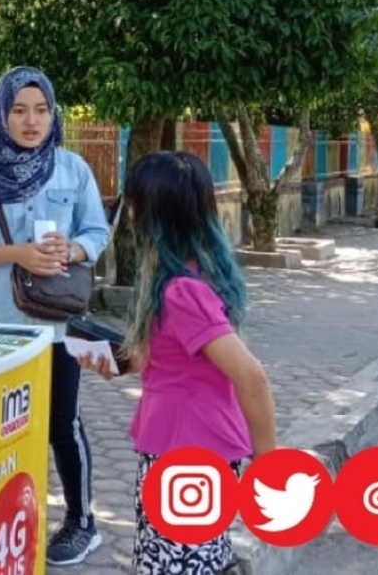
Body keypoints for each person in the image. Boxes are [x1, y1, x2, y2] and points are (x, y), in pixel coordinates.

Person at [77, 150, 277, 575]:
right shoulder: (188, 275)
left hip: (189, 455)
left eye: (131, 202)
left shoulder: (182, 292)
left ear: (147, 215)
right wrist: (117, 362)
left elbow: (252, 377)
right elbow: (169, 357)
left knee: (181, 565)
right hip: (180, 447)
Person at [0, 66, 112, 566]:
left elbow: (97, 231)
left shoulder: (73, 169)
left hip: (56, 323)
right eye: (19, 110)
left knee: (62, 422)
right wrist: (15, 254)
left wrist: (73, 249)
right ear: (2, 114)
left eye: (41, 110)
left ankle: (81, 521)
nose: (31, 121)